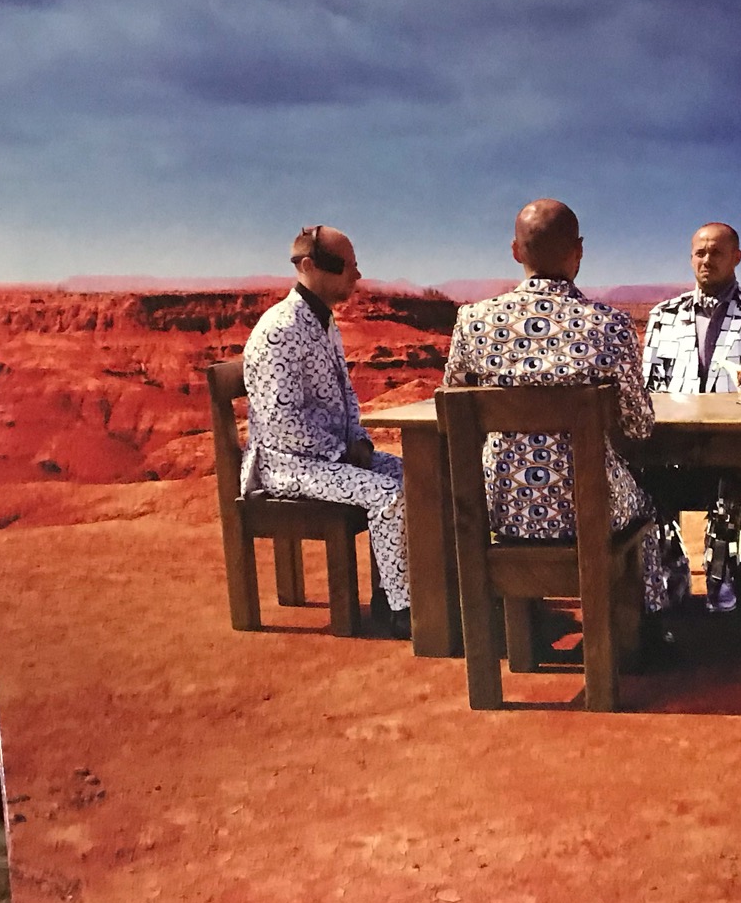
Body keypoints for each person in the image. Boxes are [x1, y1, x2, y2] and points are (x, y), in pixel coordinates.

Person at [441, 199, 670, 647]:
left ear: (515, 251)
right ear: (578, 251)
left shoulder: (473, 322)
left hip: (500, 506)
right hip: (591, 509)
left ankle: (513, 631)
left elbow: (454, 402)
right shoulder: (609, 325)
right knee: (645, 508)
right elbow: (640, 426)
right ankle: (643, 632)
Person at [240, 224, 411, 638]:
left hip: (328, 457)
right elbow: (282, 420)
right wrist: (340, 452)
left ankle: (392, 591)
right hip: (289, 465)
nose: (356, 275)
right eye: (345, 266)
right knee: (387, 495)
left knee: (414, 476)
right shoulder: (281, 329)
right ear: (308, 266)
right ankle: (403, 611)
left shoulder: (324, 320)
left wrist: (359, 440)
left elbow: (345, 391)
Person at [641, 222, 741, 613]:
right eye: (700, 252)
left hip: (739, 445)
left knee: (733, 481)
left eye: (717, 252)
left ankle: (721, 577)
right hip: (674, 447)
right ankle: (671, 573)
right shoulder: (663, 315)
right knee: (642, 480)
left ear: (736, 258)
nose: (707, 260)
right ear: (691, 258)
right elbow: (647, 390)